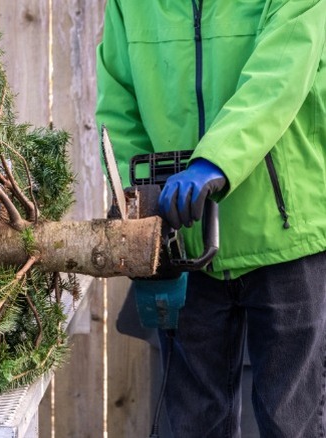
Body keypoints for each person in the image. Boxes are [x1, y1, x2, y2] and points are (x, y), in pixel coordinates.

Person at [95, 1, 326, 437]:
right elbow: (117, 105)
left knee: (290, 422)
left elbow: (279, 78)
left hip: (285, 235)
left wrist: (214, 162)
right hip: (183, 240)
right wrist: (138, 194)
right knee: (192, 424)